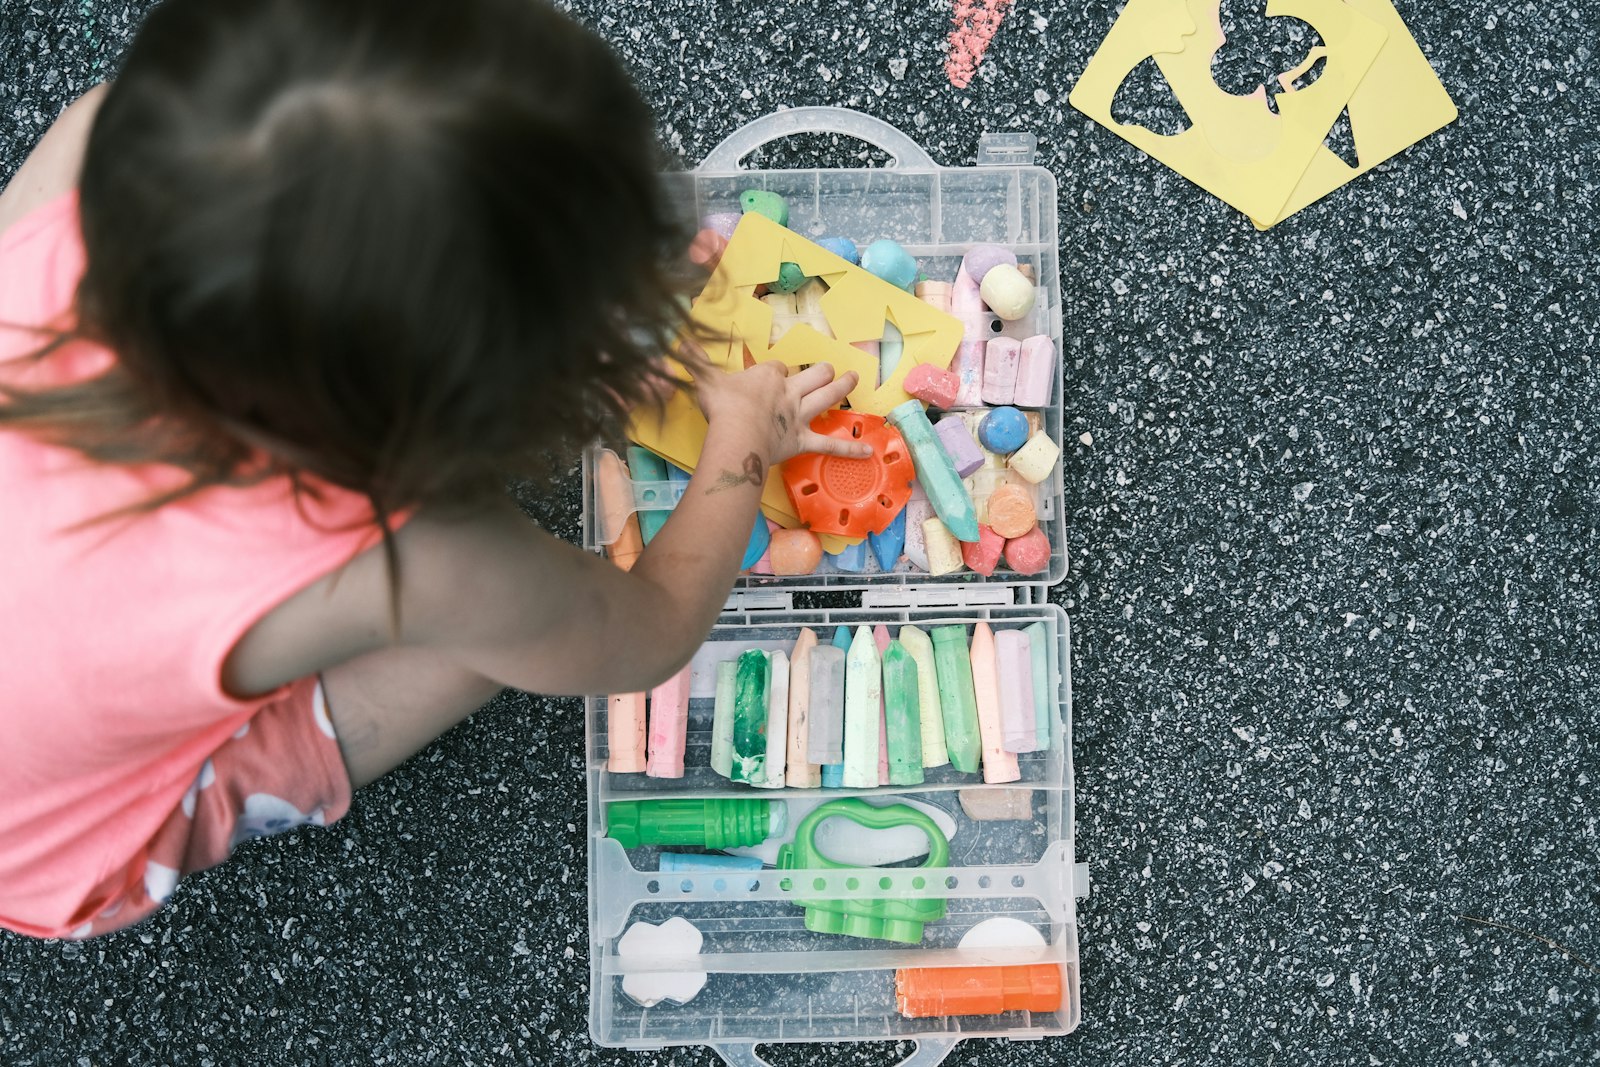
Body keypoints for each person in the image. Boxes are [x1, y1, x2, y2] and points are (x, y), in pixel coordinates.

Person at [0, 0, 864, 940]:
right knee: (498, 636)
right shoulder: (431, 553)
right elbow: (648, 631)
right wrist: (743, 439)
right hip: (48, 846)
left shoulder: (95, 145)